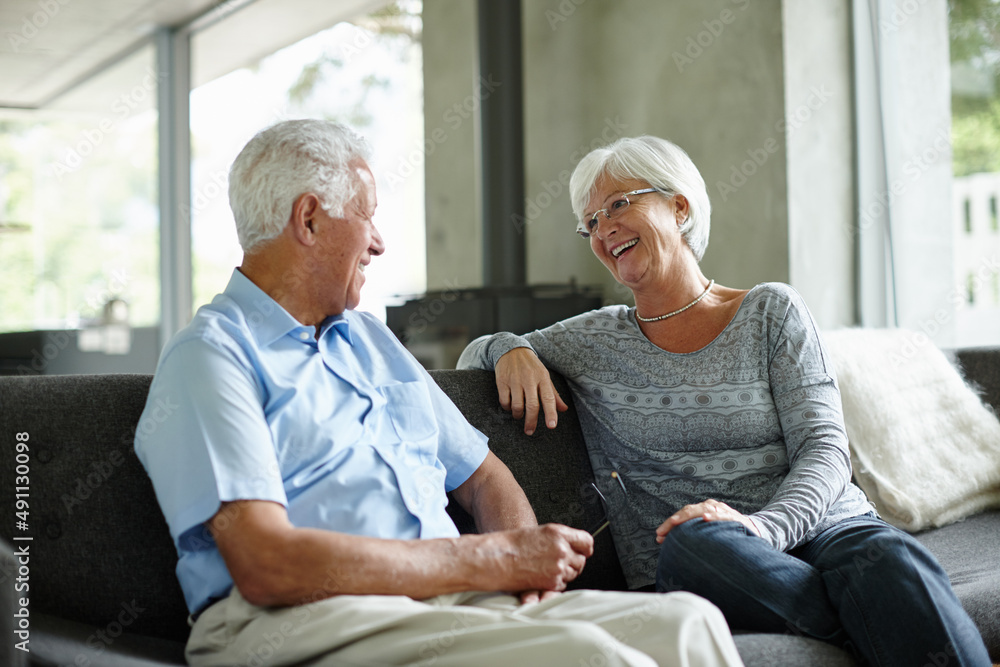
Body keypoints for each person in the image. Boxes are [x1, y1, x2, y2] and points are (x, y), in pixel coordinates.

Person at [133, 120, 745, 667]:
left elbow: (484, 479)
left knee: (688, 623)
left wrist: (520, 572)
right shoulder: (212, 357)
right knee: (590, 659)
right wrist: (490, 563)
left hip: (446, 602)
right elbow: (267, 566)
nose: (378, 242)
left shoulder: (369, 341)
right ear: (311, 219)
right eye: (367, 216)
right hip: (304, 620)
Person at [458, 135, 992, 667]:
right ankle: (876, 621)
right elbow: (467, 364)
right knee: (693, 544)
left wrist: (764, 525)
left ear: (679, 206)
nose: (604, 229)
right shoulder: (595, 340)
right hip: (714, 557)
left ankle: (864, 617)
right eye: (591, 222)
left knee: (889, 556)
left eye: (618, 204)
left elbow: (827, 450)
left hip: (825, 529)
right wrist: (510, 350)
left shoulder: (770, 312)